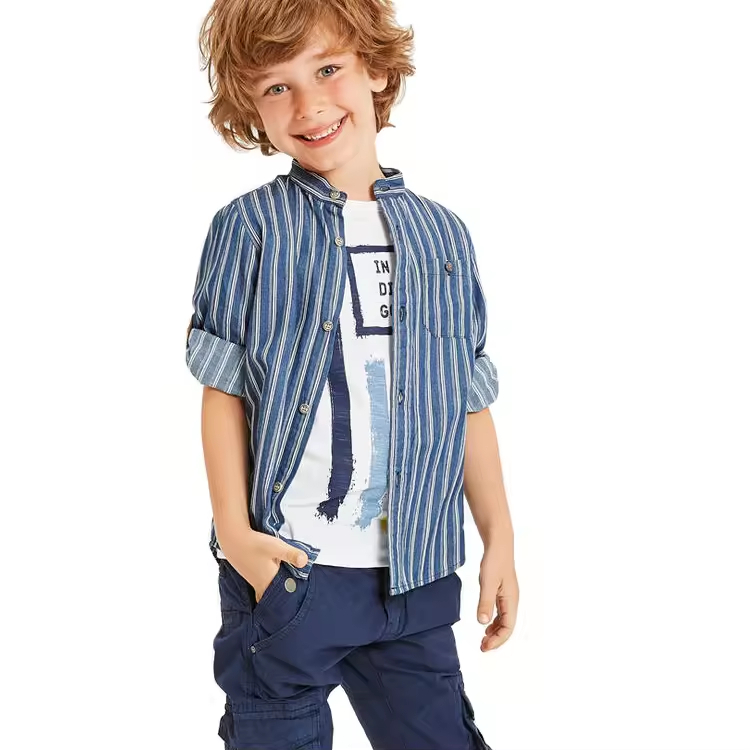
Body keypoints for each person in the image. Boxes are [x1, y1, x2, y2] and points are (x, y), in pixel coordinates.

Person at [186, 1, 519, 747]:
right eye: (276, 87)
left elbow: (466, 398)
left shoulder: (443, 236)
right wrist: (237, 537)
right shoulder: (250, 228)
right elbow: (222, 390)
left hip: (416, 575)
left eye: (328, 69)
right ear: (251, 106)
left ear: (374, 69)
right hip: (291, 573)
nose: (308, 105)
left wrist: (498, 536)